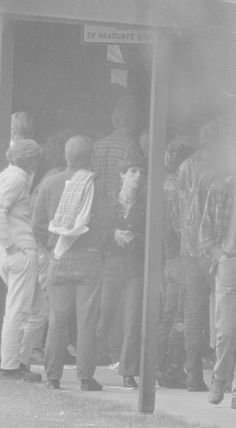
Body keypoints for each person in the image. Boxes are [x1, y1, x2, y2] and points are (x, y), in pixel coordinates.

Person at [32, 135, 105, 391]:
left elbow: (37, 225)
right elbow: (106, 223)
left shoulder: (49, 183)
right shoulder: (95, 184)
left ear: (66, 156)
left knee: (57, 320)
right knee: (87, 320)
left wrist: (51, 244)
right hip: (88, 257)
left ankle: (53, 377)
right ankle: (85, 377)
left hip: (58, 256)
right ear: (90, 156)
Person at [0, 138, 43, 382]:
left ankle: (18, 361)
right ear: (32, 162)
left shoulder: (1, 178)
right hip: (21, 251)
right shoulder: (18, 180)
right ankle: (10, 366)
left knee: (38, 311)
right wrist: (9, 247)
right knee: (19, 312)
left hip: (8, 254)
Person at [174, 119, 223, 391]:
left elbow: (179, 209)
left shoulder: (185, 166)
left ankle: (193, 375)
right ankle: (223, 376)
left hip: (189, 247)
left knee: (193, 310)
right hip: (213, 247)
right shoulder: (223, 168)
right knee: (225, 308)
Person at [96, 158, 146, 388]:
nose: (137, 176)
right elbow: (96, 230)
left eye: (140, 172)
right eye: (133, 171)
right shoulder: (108, 202)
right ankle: (90, 361)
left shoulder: (146, 205)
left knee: (132, 319)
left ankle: (128, 372)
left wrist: (136, 238)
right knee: (104, 314)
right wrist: (113, 234)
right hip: (111, 264)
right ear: (122, 175)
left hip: (135, 267)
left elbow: (154, 236)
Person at [200, 143, 236, 408]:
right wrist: (222, 256)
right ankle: (220, 377)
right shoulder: (221, 188)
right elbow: (206, 232)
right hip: (230, 263)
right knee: (225, 330)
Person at [156, 140, 194, 389]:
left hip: (168, 258)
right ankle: (172, 370)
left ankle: (159, 367)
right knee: (180, 316)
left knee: (168, 316)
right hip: (181, 257)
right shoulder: (182, 190)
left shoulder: (162, 187)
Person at [92, 93, 142, 204]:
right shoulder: (131, 147)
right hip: (119, 204)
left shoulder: (97, 145)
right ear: (132, 119)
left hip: (99, 203)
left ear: (114, 118)